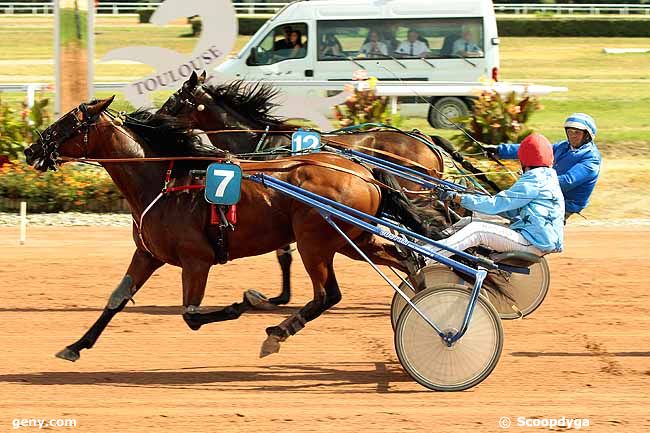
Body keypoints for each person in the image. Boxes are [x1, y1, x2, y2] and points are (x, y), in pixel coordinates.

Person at [427, 133, 564, 263]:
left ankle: (427, 255)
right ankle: (430, 242)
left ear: (523, 160)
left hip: (533, 242)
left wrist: (459, 198)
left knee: (477, 230)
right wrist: (470, 199)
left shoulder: (535, 179)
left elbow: (496, 205)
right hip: (536, 237)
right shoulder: (547, 177)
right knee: (469, 220)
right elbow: (510, 211)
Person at [485, 113, 601, 220]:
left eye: (577, 133)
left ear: (587, 136)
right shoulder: (563, 146)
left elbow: (567, 181)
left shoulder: (591, 159)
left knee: (521, 219)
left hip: (565, 203)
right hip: (548, 194)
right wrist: (500, 151)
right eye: (570, 132)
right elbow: (535, 150)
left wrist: (536, 179)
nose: (572, 136)